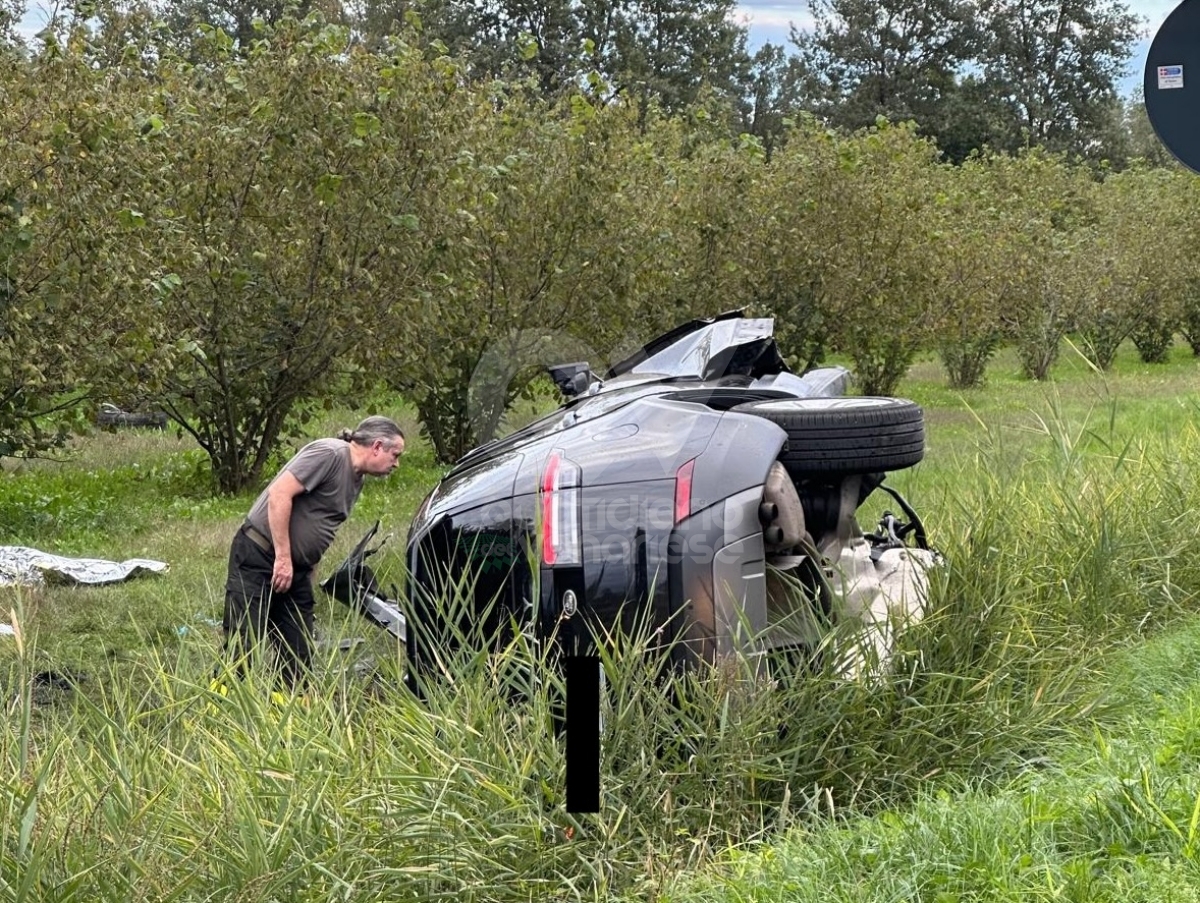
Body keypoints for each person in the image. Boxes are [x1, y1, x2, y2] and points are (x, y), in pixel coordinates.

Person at [223, 415, 406, 687]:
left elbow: (318, 525)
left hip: (294, 571)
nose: (397, 463)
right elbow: (280, 494)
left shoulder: (356, 479)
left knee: (299, 650)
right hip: (259, 556)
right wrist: (284, 558)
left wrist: (305, 571)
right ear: (377, 446)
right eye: (395, 455)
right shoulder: (329, 453)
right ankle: (221, 709)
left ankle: (285, 711)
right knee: (244, 643)